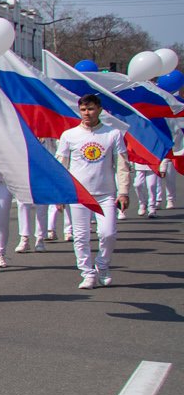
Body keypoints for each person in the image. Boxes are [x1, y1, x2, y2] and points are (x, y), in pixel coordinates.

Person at [57, 93, 132, 289]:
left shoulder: (112, 134)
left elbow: (122, 165)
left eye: (90, 109)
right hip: (79, 195)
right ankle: (87, 273)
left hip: (105, 194)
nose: (87, 113)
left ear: (99, 110)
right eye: (83, 109)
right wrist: (61, 194)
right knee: (81, 237)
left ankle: (102, 265)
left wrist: (123, 192)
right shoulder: (69, 135)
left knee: (108, 233)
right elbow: (61, 166)